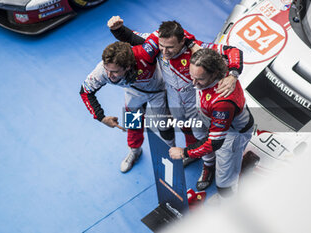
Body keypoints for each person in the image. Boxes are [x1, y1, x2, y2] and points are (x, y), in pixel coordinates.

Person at [108, 16, 244, 189]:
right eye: (162, 46)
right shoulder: (156, 43)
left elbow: (233, 51)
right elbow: (131, 37)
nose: (164, 52)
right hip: (170, 97)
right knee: (169, 124)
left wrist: (233, 75)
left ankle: (208, 166)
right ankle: (138, 150)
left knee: (201, 135)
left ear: (182, 41)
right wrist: (117, 29)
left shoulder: (199, 50)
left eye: (170, 47)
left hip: (193, 100)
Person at [169, 49, 254, 197]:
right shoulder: (214, 61)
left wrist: (185, 152)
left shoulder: (223, 100)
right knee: (198, 133)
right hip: (207, 115)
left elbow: (214, 143)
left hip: (231, 135)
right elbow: (233, 50)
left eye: (199, 79)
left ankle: (228, 203)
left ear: (214, 74)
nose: (193, 83)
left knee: (224, 182)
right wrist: (234, 73)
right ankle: (208, 166)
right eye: (192, 76)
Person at [80, 41, 175, 173]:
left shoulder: (145, 54)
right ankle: (135, 151)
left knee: (164, 124)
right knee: (132, 123)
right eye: (107, 69)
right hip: (133, 93)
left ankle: (171, 152)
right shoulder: (101, 71)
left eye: (114, 72)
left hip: (157, 90)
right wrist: (101, 117)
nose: (108, 75)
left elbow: (164, 37)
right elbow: (85, 91)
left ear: (128, 66)